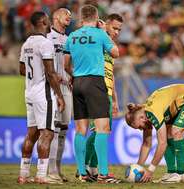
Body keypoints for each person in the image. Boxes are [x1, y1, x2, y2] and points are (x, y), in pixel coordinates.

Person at [64, 5, 120, 183]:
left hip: (78, 82)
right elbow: (115, 53)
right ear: (96, 17)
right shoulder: (100, 33)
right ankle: (103, 173)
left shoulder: (72, 36)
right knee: (103, 128)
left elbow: (66, 64)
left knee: (80, 130)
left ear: (81, 18)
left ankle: (82, 173)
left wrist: (74, 76)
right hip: (95, 82)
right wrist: (103, 30)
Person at [17, 11, 65, 184]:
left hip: (28, 91)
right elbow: (51, 73)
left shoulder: (27, 43)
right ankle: (41, 175)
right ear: (44, 21)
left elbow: (22, 70)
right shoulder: (45, 43)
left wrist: (35, 71)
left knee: (31, 134)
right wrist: (59, 96)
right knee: (47, 134)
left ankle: (23, 174)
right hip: (42, 93)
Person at [125, 84, 184, 183]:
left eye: (140, 127)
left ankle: (180, 174)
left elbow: (162, 144)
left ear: (141, 118)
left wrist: (150, 170)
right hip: (178, 103)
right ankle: (171, 173)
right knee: (168, 134)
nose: (142, 130)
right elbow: (146, 144)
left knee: (176, 132)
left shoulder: (152, 112)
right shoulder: (145, 113)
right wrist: (138, 167)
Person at [84, 13, 123, 181]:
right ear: (105, 24)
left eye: (119, 29)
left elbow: (111, 74)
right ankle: (85, 168)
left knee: (103, 131)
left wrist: (115, 100)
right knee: (98, 131)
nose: (117, 32)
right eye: (114, 28)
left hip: (107, 91)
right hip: (96, 89)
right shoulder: (97, 39)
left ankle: (92, 169)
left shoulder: (110, 44)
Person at [46, 8, 72, 183]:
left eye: (70, 14)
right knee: (53, 130)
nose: (69, 16)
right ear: (56, 17)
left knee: (63, 130)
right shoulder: (48, 38)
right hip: (53, 87)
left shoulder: (70, 39)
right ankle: (50, 170)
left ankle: (58, 169)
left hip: (67, 88)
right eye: (65, 13)